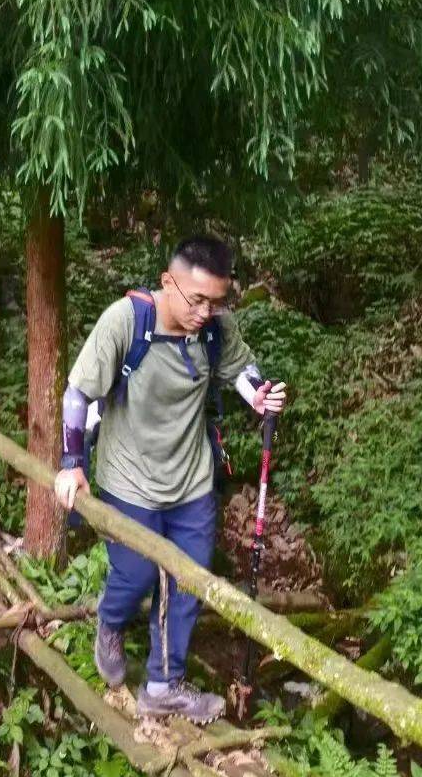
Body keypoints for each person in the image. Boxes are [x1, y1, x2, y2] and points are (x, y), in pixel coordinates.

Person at [53, 236, 287, 724]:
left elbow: (240, 368)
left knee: (189, 582)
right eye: (196, 300)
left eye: (216, 302)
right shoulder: (126, 321)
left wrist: (258, 395)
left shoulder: (215, 328)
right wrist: (72, 463)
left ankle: (163, 685)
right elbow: (78, 394)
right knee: (136, 574)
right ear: (168, 282)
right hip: (128, 479)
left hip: (191, 481)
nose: (205, 312)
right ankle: (111, 622)